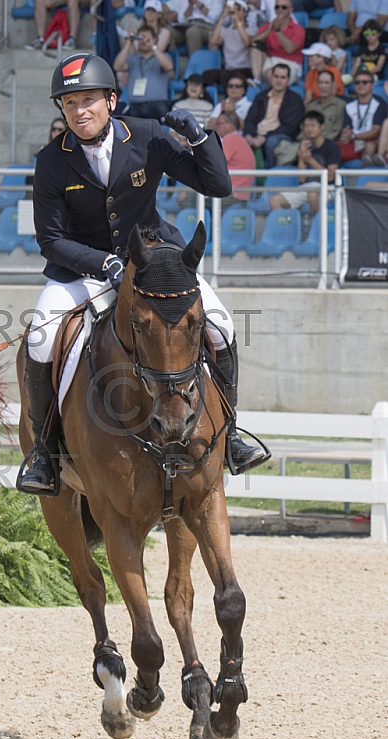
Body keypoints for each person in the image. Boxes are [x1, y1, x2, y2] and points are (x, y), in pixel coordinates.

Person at [19, 52, 268, 494]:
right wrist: (105, 263)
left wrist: (199, 138)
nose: (79, 111)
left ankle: (231, 436)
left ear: (111, 100)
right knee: (39, 337)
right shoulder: (51, 160)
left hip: (155, 261)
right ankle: (44, 453)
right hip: (83, 270)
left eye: (89, 100)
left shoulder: (148, 136)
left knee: (224, 326)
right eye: (70, 103)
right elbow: (51, 240)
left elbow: (219, 186)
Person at [269, 110, 341, 213]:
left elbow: (330, 177)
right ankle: (288, 228)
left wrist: (310, 160)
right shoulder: (304, 145)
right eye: (306, 126)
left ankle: (317, 228)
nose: (309, 129)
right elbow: (302, 179)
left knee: (313, 194)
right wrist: (302, 157)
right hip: (307, 187)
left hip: (327, 188)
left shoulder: (332, 147)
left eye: (312, 125)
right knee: (275, 200)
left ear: (322, 127)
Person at [244, 62, 305, 167]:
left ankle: (271, 176)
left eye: (283, 77)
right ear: (271, 78)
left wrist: (264, 138)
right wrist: (249, 135)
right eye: (276, 76)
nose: (279, 81)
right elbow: (250, 119)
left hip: (281, 135)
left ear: (288, 80)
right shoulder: (261, 97)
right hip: (257, 134)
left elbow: (289, 127)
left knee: (272, 142)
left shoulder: (295, 100)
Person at [113, 26, 174, 121]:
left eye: (147, 38)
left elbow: (168, 67)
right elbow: (117, 66)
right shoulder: (133, 58)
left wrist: (153, 47)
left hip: (157, 104)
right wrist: (129, 43)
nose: (143, 41)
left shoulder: (162, 56)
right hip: (135, 105)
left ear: (154, 39)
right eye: (140, 38)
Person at [337, 67, 388, 166]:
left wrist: (354, 136)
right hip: (354, 143)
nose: (361, 85)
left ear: (372, 85)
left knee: (370, 146)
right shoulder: (348, 106)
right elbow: (347, 129)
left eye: (364, 82)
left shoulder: (379, 103)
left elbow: (376, 131)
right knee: (332, 149)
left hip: (372, 141)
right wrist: (347, 134)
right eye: (357, 82)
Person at [249, 0, 306, 86]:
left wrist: (278, 31)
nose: (280, 9)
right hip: (271, 61)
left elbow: (290, 49)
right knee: (256, 46)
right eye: (277, 7)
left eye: (284, 7)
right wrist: (269, 30)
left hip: (291, 63)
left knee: (273, 75)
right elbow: (253, 42)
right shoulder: (267, 26)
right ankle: (257, 80)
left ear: (291, 10)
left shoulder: (298, 29)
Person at [206, 0, 257, 90]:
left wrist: (238, 21)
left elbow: (247, 42)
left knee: (227, 76)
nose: (235, 12)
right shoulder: (226, 31)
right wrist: (222, 17)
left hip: (244, 69)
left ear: (245, 13)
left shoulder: (252, 30)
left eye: (239, 9)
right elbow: (213, 41)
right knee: (207, 74)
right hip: (229, 69)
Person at [212, 110, 256, 202]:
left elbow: (213, 164)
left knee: (189, 197)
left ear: (230, 124)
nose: (216, 127)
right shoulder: (238, 139)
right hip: (238, 193)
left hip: (233, 194)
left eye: (219, 124)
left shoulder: (231, 139)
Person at [306, 69, 346, 140]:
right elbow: (304, 129)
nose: (323, 86)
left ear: (333, 85)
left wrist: (319, 141)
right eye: (320, 83)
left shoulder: (341, 106)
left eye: (327, 83)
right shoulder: (311, 106)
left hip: (329, 145)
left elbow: (336, 131)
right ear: (317, 85)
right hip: (309, 144)